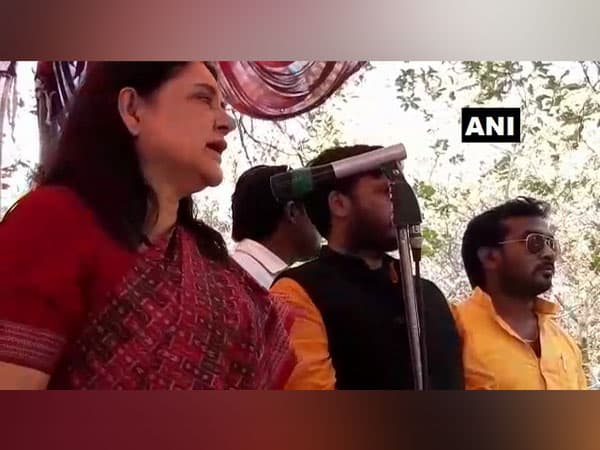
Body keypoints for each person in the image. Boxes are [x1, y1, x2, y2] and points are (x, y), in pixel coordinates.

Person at [0, 62, 297, 390]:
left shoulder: (215, 270)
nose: (227, 122)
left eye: (224, 107)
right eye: (203, 99)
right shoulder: (53, 223)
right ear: (132, 110)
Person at [270, 145, 464, 390]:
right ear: (339, 204)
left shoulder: (429, 293)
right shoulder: (297, 292)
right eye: (387, 192)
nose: (403, 203)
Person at [455, 197, 587, 390]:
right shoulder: (453, 331)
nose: (549, 253)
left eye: (551, 243)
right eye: (534, 242)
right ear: (490, 257)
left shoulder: (563, 342)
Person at [230, 165, 321, 289]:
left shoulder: (235, 271)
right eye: (313, 208)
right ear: (292, 212)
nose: (320, 217)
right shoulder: (250, 280)